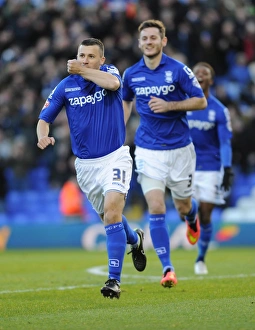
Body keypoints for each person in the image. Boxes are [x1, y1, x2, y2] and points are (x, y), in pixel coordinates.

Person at [36, 38, 147, 299]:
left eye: (90, 56)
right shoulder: (65, 86)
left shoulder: (109, 74)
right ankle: (135, 240)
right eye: (81, 55)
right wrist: (43, 135)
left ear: (101, 60)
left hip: (115, 157)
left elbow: (113, 85)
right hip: (86, 167)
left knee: (112, 212)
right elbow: (44, 118)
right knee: (110, 219)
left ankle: (113, 281)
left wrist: (83, 71)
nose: (84, 59)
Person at [122, 19, 207, 288]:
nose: (149, 42)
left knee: (182, 205)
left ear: (163, 41)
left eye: (153, 38)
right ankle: (167, 268)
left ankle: (192, 219)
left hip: (180, 149)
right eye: (144, 38)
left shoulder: (179, 70)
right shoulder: (131, 74)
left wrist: (170, 105)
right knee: (156, 207)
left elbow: (200, 100)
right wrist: (119, 131)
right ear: (139, 43)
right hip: (148, 150)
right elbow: (125, 100)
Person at [187, 62, 233, 275]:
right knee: (185, 208)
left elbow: (225, 142)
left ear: (211, 80)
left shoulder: (219, 110)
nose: (200, 75)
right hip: (185, 165)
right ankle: (190, 220)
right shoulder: (183, 105)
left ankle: (200, 258)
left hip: (211, 167)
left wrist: (228, 168)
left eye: (204, 73)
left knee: (205, 214)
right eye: (196, 72)